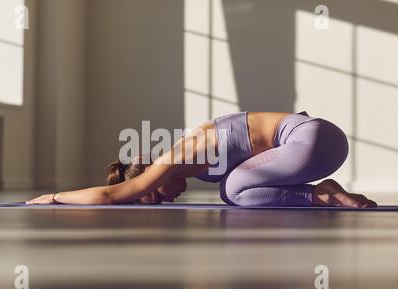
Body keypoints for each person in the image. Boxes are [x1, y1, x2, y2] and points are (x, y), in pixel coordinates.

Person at [27, 111, 377, 208]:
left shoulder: (175, 156)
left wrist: (56, 196)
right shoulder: (187, 150)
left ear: (151, 176)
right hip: (322, 139)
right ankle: (321, 191)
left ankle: (322, 194)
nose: (167, 197)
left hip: (310, 141)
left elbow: (111, 197)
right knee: (235, 182)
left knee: (233, 190)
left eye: (154, 193)